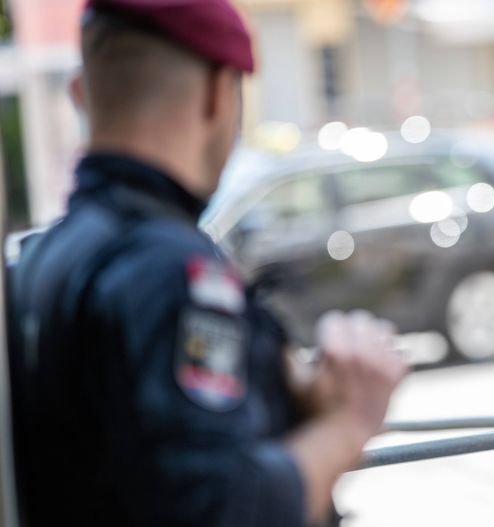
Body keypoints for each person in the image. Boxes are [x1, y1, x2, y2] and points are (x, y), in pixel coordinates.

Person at [8, 0, 406, 525]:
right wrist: (349, 423)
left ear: (82, 94)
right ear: (219, 94)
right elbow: (218, 509)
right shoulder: (173, 273)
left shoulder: (43, 258)